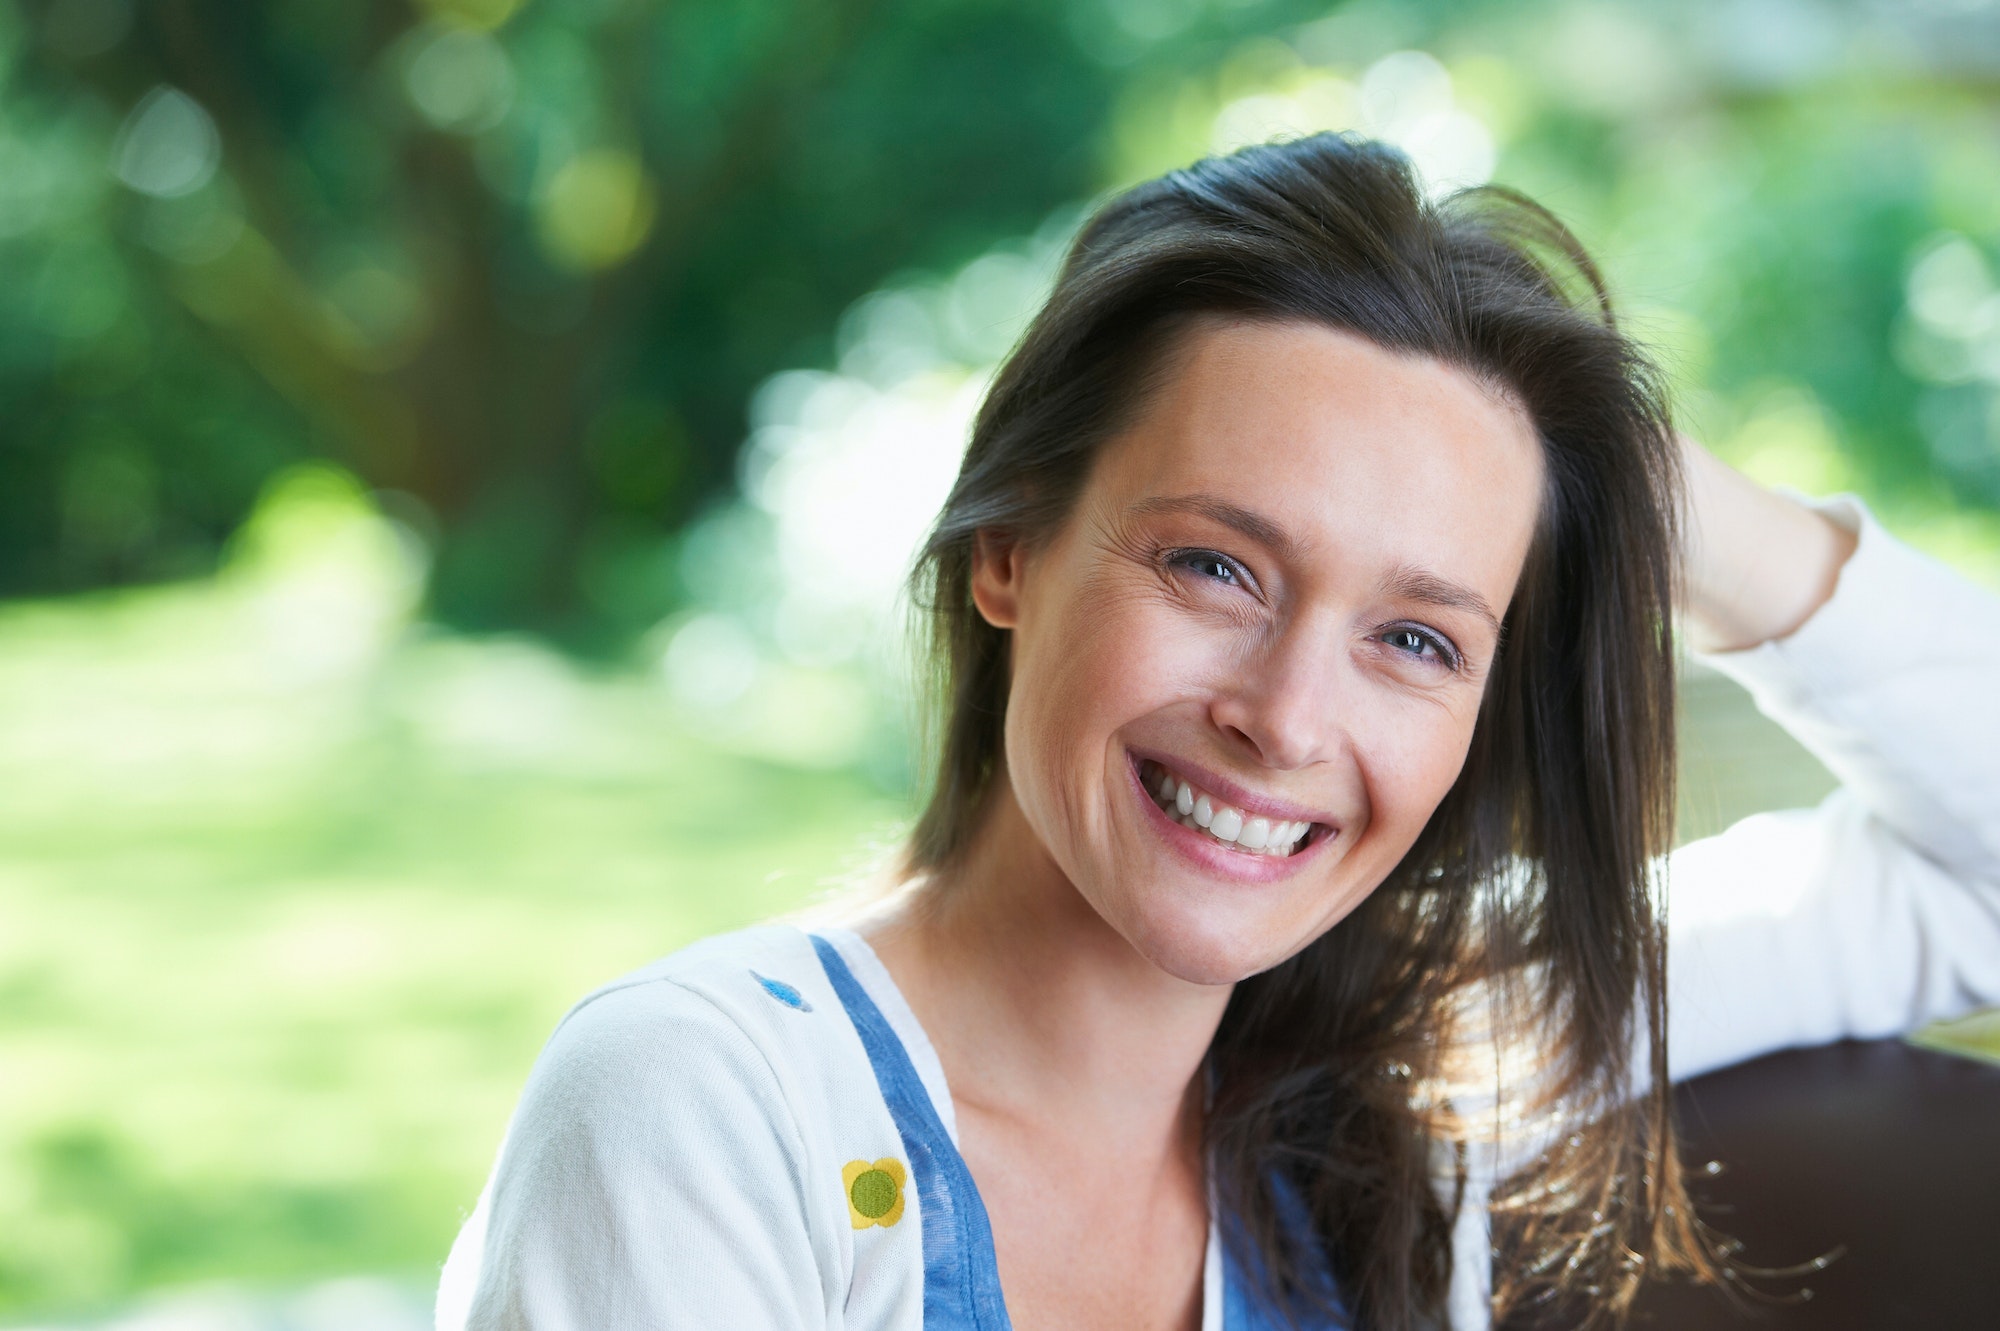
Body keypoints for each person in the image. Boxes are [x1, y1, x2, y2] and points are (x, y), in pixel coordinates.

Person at [433, 134, 2000, 1331]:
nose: (1286, 718)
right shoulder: (712, 1110)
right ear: (1010, 551)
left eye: (1416, 637)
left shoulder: (1431, 1072)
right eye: (1213, 566)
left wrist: (1636, 483)